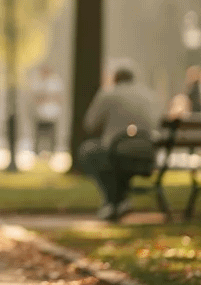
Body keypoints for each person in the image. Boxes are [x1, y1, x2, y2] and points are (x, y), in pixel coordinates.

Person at [76, 65, 160, 221]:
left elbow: (90, 124)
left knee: (89, 151)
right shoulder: (148, 95)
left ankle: (113, 201)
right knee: (115, 155)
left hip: (117, 152)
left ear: (115, 79)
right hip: (146, 154)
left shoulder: (108, 95)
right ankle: (119, 201)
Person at [29, 65, 65, 155]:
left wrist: (46, 97)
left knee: (52, 136)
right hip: (40, 114)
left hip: (52, 114)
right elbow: (36, 98)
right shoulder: (37, 82)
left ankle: (52, 152)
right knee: (38, 135)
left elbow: (59, 97)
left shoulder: (55, 82)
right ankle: (37, 152)